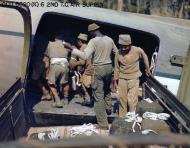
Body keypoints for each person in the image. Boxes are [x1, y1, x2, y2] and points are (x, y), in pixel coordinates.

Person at [64, 23, 118, 129]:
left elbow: (85, 55)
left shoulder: (93, 41)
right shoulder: (109, 39)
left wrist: (71, 48)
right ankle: (108, 108)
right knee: (107, 90)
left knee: (98, 96)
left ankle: (103, 124)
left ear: (92, 32)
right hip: (109, 67)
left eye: (90, 33)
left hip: (99, 68)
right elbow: (116, 52)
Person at [113, 34, 151, 118]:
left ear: (130, 44)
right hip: (122, 78)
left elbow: (145, 56)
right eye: (121, 46)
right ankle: (122, 118)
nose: (123, 48)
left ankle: (132, 117)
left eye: (125, 46)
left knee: (132, 100)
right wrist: (115, 81)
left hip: (134, 78)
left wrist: (147, 68)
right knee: (122, 99)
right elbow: (116, 68)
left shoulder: (137, 50)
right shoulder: (118, 53)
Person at [46, 34, 70, 108]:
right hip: (65, 65)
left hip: (55, 65)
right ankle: (66, 100)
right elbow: (70, 51)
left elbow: (47, 55)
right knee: (65, 83)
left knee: (51, 83)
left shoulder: (50, 44)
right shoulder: (66, 45)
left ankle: (57, 100)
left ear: (55, 38)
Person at [69, 33, 93, 105]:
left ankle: (88, 99)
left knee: (83, 83)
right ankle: (91, 99)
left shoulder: (83, 48)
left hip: (89, 68)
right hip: (93, 67)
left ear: (80, 41)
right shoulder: (89, 46)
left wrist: (74, 64)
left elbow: (82, 62)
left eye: (77, 41)